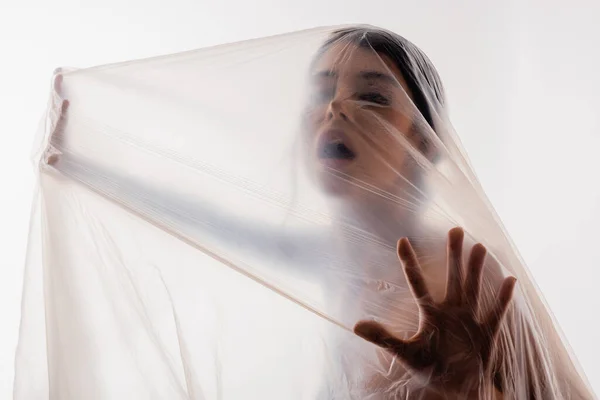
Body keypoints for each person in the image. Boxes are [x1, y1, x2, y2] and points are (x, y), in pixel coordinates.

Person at [48, 26, 593, 399]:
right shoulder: (327, 256)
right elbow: (206, 220)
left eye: (373, 96)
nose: (335, 108)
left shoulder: (469, 271)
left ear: (425, 141)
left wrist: (473, 391)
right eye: (323, 91)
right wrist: (83, 165)